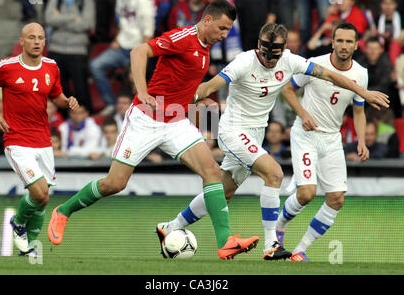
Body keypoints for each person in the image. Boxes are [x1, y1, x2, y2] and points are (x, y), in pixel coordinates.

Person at [47, 0, 261, 260]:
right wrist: (142, 91)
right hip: (145, 119)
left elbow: (177, 83)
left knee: (212, 172)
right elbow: (138, 52)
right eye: (222, 28)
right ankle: (64, 211)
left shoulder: (205, 49)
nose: (224, 35)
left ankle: (225, 242)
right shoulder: (183, 37)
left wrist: (196, 100)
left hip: (175, 121)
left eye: (228, 30)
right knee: (115, 183)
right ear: (207, 20)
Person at [156, 22, 389, 261]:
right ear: (258, 46)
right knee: (274, 174)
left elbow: (329, 74)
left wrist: (364, 93)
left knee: (224, 192)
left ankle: (170, 227)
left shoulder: (291, 61)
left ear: (283, 50)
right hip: (234, 130)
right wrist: (180, 99)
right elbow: (210, 86)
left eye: (274, 56)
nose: (268, 60)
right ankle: (271, 245)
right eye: (265, 54)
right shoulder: (244, 61)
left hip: (255, 134)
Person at [274, 23, 382, 262]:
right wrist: (303, 114)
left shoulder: (361, 73)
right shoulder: (315, 63)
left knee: (337, 199)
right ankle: (278, 228)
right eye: (339, 41)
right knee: (307, 193)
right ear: (332, 42)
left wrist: (362, 141)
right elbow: (287, 90)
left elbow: (359, 111)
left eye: (349, 42)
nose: (344, 46)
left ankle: (300, 250)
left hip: (333, 138)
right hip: (306, 135)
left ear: (356, 45)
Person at [0, 23, 79, 256]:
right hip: (16, 139)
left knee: (43, 198)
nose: (36, 42)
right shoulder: (7, 67)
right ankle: (18, 223)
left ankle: (29, 248)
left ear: (45, 42)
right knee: (39, 192)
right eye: (31, 37)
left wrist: (67, 101)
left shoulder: (52, 66)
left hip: (43, 140)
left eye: (41, 38)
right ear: (21, 41)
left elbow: (56, 95)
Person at [90, 0, 155, 117]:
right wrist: (117, 40)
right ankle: (111, 104)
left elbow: (148, 30)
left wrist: (141, 54)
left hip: (137, 50)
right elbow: (122, 23)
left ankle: (138, 111)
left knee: (135, 80)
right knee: (95, 66)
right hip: (122, 46)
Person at [45, 0, 96, 114]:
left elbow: (87, 24)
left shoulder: (87, 0)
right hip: (56, 48)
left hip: (77, 50)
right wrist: (74, 18)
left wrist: (59, 20)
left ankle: (86, 116)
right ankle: (64, 118)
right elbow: (49, 19)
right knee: (57, 88)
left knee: (81, 87)